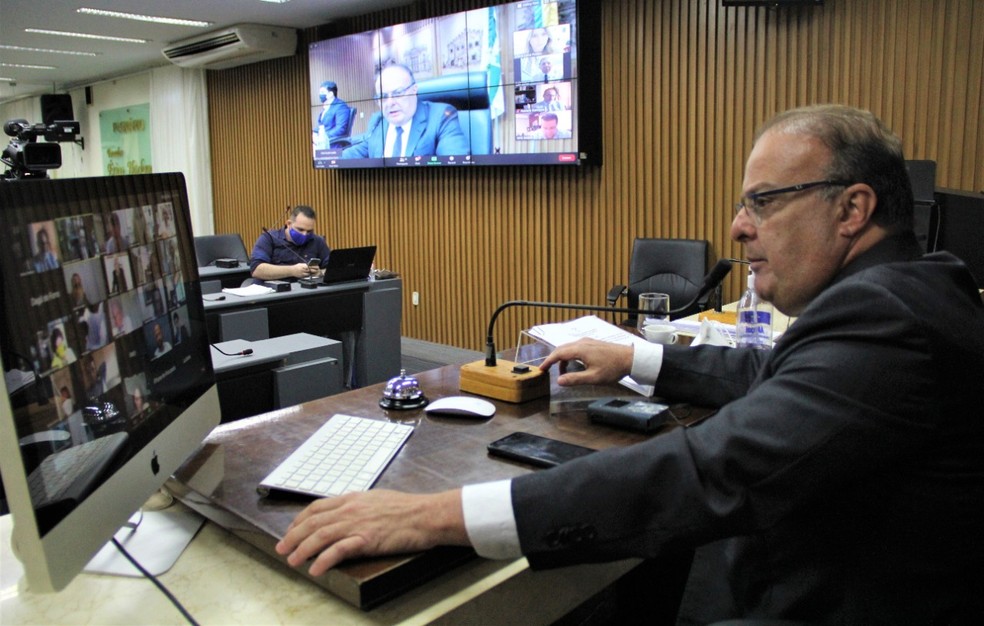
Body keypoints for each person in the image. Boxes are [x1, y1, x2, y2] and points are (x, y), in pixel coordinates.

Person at [274, 105, 984, 623]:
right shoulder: (905, 295)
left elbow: (710, 468)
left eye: (763, 202)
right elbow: (762, 380)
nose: (738, 227)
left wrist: (436, 515)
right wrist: (636, 356)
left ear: (852, 209)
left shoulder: (886, 320)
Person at [341, 64, 470, 159]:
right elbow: (352, 154)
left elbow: (455, 165)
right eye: (383, 97)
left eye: (398, 93)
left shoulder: (441, 117)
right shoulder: (379, 120)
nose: (390, 103)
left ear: (414, 90)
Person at [249, 205, 332, 281]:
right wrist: (292, 271)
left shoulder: (317, 241)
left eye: (309, 231)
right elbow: (256, 270)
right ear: (288, 224)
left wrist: (320, 273)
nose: (304, 234)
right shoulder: (268, 238)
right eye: (300, 230)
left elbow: (333, 268)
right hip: (274, 292)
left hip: (306, 292)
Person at [313, 80, 352, 150]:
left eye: (322, 92)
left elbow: (340, 129)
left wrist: (322, 136)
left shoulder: (340, 106)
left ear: (330, 94)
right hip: (321, 142)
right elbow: (322, 126)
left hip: (331, 144)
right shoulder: (327, 107)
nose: (320, 95)